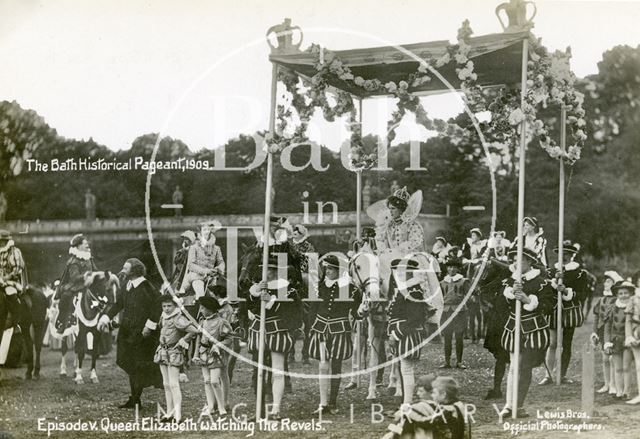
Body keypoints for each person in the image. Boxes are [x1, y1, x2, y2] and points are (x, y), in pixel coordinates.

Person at [98, 258, 162, 409]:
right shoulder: (127, 286)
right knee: (127, 361)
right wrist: (105, 318)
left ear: (134, 271)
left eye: (125, 268)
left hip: (141, 334)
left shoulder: (146, 286)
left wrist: (150, 326)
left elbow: (157, 306)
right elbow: (118, 304)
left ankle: (135, 398)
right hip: (127, 332)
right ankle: (135, 398)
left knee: (138, 365)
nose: (122, 271)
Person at [499, 247, 555, 418]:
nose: (516, 263)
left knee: (524, 367)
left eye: (521, 260)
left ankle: (518, 404)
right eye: (514, 260)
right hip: (513, 327)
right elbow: (501, 303)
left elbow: (549, 306)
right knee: (513, 366)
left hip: (533, 330)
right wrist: (510, 294)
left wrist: (527, 300)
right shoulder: (510, 281)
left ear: (530, 262)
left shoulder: (541, 282)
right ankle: (509, 405)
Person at [247, 255, 302, 419]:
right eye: (265, 268)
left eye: (270, 269)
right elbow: (249, 307)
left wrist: (273, 302)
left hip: (278, 331)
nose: (266, 272)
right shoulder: (258, 287)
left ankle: (276, 410)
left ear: (277, 271)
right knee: (258, 372)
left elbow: (294, 315)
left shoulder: (288, 289)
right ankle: (260, 410)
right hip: (259, 331)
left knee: (278, 371)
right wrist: (256, 295)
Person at [308, 255, 362, 415]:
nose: (328, 271)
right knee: (323, 365)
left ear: (340, 270)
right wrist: (312, 327)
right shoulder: (318, 286)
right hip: (321, 329)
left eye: (331, 268)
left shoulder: (349, 288)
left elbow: (356, 312)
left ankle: (333, 402)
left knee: (336, 366)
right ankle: (323, 403)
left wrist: (362, 311)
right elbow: (312, 309)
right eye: (326, 268)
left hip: (340, 330)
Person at [539, 240, 589, 385]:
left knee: (566, 343)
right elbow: (546, 291)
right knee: (552, 342)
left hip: (569, 311)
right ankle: (548, 375)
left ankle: (562, 375)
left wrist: (566, 290)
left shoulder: (579, 273)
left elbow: (582, 294)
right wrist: (554, 281)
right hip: (554, 310)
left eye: (567, 254)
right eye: (561, 254)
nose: (564, 257)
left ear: (572, 255)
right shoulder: (551, 272)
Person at [387, 257, 433, 405]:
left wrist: (395, 334)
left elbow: (415, 318)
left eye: (402, 272)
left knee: (406, 369)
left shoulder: (413, 290)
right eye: (397, 272)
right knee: (403, 368)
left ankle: (407, 405)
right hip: (402, 333)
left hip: (407, 334)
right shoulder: (405, 289)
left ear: (410, 273)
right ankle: (404, 404)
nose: (398, 275)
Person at [154, 293, 199, 423]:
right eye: (164, 306)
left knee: (174, 384)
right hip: (162, 351)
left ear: (175, 305)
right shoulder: (163, 316)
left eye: (169, 306)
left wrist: (183, 341)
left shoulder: (178, 317)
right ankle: (169, 413)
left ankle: (178, 415)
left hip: (174, 352)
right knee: (166, 384)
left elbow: (194, 330)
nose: (166, 308)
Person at [382, 375, 468, 439]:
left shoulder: (446, 410)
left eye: (434, 393)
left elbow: (427, 422)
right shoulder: (458, 405)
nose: (417, 393)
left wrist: (409, 412)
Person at [193, 295, 233, 420]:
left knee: (215, 381)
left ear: (210, 309)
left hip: (216, 354)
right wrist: (195, 354)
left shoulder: (221, 322)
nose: (201, 311)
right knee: (207, 380)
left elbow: (229, 338)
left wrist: (218, 345)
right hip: (203, 352)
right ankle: (211, 406)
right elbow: (199, 339)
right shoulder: (202, 322)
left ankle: (221, 406)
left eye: (203, 308)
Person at [54, 234, 97, 338]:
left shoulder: (89, 258)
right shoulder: (73, 261)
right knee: (66, 296)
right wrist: (86, 276)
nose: (88, 245)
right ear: (78, 246)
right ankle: (62, 322)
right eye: (85, 243)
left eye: (87, 243)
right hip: (75, 287)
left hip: (88, 285)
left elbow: (95, 270)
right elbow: (74, 277)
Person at [591, 270, 622, 395]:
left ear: (615, 283)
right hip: (602, 331)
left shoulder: (617, 300)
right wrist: (594, 332)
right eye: (605, 280)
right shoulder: (602, 299)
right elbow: (596, 317)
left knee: (612, 359)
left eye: (608, 280)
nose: (605, 283)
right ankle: (607, 383)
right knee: (604, 359)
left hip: (613, 333)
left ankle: (614, 385)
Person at [290, 223, 316, 365]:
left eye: (297, 231)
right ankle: (290, 352)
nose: (294, 232)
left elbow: (310, 261)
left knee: (308, 281)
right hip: (289, 275)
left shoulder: (308, 246)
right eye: (293, 230)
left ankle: (306, 353)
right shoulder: (287, 244)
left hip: (303, 274)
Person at [604, 280, 634, 400]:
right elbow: (607, 327)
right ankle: (619, 391)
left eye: (626, 293)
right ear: (617, 295)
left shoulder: (634, 307)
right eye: (620, 293)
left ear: (631, 293)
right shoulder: (612, 308)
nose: (623, 295)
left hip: (627, 340)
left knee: (626, 367)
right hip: (615, 340)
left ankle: (627, 391)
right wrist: (607, 341)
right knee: (618, 368)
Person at [179, 221, 225, 300]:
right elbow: (191, 265)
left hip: (211, 279)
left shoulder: (217, 248)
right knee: (200, 294)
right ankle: (199, 310)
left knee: (218, 297)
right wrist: (206, 271)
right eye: (204, 230)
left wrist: (219, 269)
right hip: (196, 277)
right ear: (200, 232)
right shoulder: (194, 247)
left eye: (208, 230)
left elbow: (221, 262)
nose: (207, 232)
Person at [439, 258, 468, 369]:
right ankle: (447, 361)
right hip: (446, 311)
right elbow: (440, 297)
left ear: (458, 269)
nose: (451, 269)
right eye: (450, 267)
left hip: (459, 311)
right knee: (447, 336)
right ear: (447, 268)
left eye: (454, 267)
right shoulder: (442, 282)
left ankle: (459, 361)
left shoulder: (463, 281)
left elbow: (469, 295)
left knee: (459, 336)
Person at [0, 229, 25, 333]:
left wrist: (6, 278)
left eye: (2, 241)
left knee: (12, 296)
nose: (1, 243)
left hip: (11, 282)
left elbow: (18, 269)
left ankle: (16, 324)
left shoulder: (14, 251)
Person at [624, 280, 640, 404]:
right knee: (639, 366)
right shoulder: (633, 299)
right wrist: (629, 336)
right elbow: (628, 320)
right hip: (636, 333)